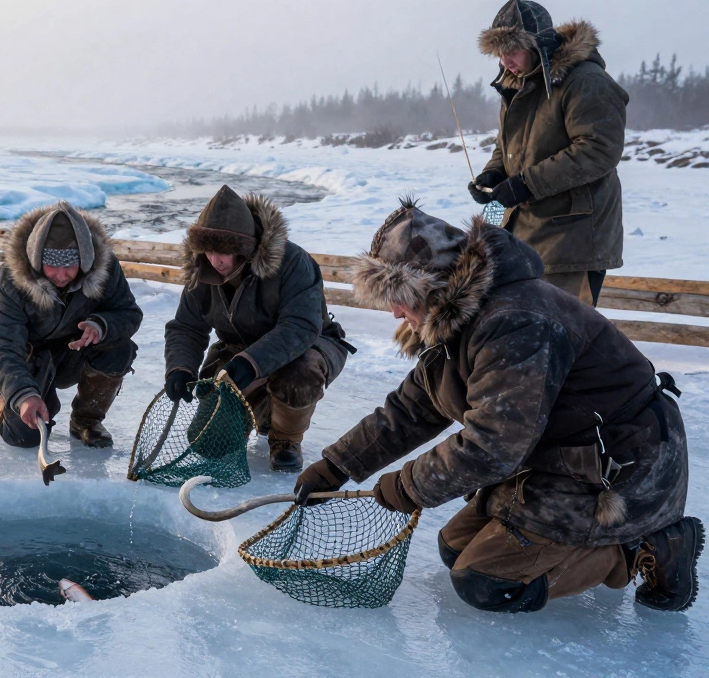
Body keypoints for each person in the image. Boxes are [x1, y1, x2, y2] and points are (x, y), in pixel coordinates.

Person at [296, 199, 699, 613]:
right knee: (454, 548)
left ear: (435, 286)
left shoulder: (515, 321)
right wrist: (337, 466)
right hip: (554, 460)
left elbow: (492, 446)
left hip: (622, 467)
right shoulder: (454, 323)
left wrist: (406, 486)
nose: (396, 312)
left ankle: (644, 546)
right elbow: (412, 409)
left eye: (401, 297)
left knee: (485, 582)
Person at [164, 185, 353, 471]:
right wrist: (180, 367)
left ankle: (285, 439)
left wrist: (251, 363)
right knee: (208, 444)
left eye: (225, 251)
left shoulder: (293, 262)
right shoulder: (202, 270)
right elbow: (186, 327)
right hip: (238, 352)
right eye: (209, 250)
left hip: (307, 346)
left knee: (298, 374)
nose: (216, 260)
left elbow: (301, 326)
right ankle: (264, 411)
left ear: (245, 247)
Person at [468, 0, 628, 307]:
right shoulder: (520, 83)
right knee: (527, 334)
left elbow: (598, 150)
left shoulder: (586, 82)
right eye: (499, 54)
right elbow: (507, 144)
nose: (504, 62)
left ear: (538, 44)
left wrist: (526, 184)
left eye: (511, 51)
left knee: (567, 336)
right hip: (527, 233)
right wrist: (495, 173)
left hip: (573, 240)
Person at [0, 200, 142, 448]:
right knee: (24, 435)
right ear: (35, 259)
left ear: (86, 260)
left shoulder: (106, 268)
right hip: (26, 357)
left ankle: (86, 421)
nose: (62, 275)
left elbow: (128, 313)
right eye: (52, 266)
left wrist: (101, 325)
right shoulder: (9, 278)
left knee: (120, 347)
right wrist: (23, 395)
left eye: (70, 266)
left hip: (72, 351)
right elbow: (1, 344)